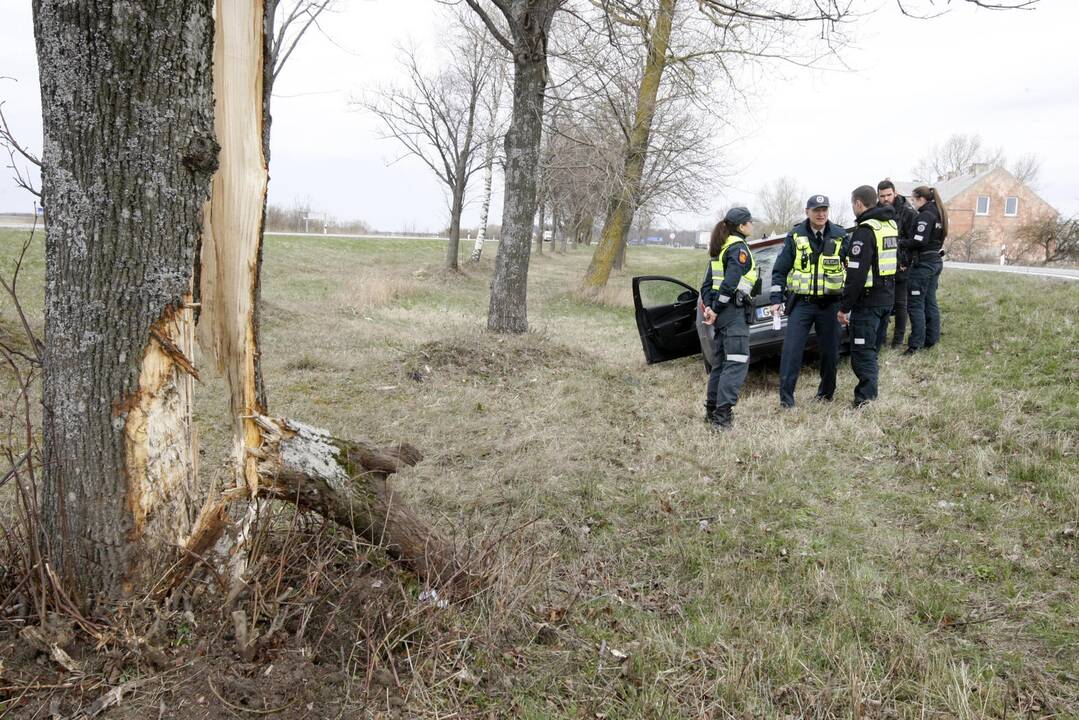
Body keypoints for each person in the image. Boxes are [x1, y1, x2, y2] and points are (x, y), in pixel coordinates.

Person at [768, 194, 848, 408]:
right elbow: (779, 271)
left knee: (831, 352)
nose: (821, 214)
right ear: (807, 212)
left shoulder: (840, 235)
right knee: (791, 351)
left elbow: (853, 270)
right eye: (816, 210)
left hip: (830, 304)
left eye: (824, 209)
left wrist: (848, 304)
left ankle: (826, 395)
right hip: (802, 304)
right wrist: (776, 298)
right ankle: (786, 400)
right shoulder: (795, 235)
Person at [837, 185, 897, 407]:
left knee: (862, 352)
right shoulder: (890, 225)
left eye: (853, 204)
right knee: (872, 350)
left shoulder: (865, 231)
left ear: (858, 204)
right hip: (886, 299)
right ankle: (870, 394)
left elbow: (856, 275)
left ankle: (865, 400)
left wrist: (844, 307)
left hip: (868, 302)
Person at [700, 207, 758, 430]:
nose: (752, 225)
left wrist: (710, 308)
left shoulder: (719, 249)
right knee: (736, 363)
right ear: (742, 226)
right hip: (733, 314)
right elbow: (731, 281)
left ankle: (711, 411)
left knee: (721, 364)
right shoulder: (738, 248)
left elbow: (707, 285)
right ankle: (722, 418)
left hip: (723, 315)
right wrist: (716, 307)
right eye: (750, 222)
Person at [902, 185, 948, 355]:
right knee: (930, 301)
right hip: (935, 261)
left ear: (921, 199)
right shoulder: (939, 213)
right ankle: (931, 339)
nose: (913, 203)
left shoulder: (925, 216)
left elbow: (919, 240)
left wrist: (902, 243)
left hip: (923, 264)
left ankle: (915, 344)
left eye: (914, 200)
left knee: (915, 304)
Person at [876, 180, 918, 349]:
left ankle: (898, 340)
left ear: (895, 193)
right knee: (882, 302)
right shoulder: (876, 211)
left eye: (889, 195)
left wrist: (905, 262)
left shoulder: (908, 212)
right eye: (882, 196)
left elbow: (914, 241)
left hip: (901, 264)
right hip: (881, 265)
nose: (886, 199)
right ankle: (881, 337)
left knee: (900, 303)